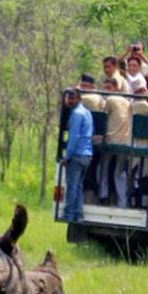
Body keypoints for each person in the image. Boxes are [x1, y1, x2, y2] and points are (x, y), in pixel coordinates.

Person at [61, 88, 93, 222]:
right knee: (79, 186)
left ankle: (68, 215)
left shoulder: (76, 114)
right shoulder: (87, 112)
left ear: (79, 99)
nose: (70, 101)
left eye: (73, 98)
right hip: (87, 154)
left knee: (72, 186)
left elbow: (74, 137)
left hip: (78, 154)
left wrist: (67, 157)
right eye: (69, 98)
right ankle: (78, 215)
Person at [98, 79, 132, 204]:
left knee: (102, 167)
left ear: (116, 88)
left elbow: (101, 115)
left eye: (109, 88)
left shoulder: (110, 100)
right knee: (119, 171)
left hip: (111, 141)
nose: (106, 91)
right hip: (125, 141)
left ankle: (103, 194)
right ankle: (122, 201)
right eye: (105, 88)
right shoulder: (127, 102)